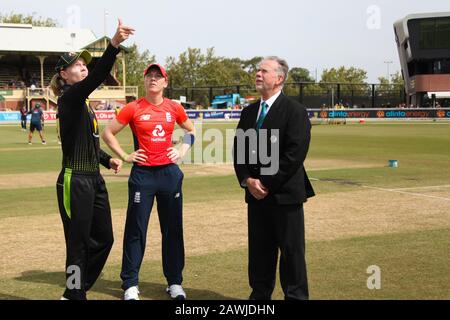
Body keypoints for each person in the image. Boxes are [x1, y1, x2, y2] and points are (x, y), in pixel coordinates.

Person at [49, 19, 134, 300]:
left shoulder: (83, 103)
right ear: (64, 73)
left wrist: (107, 160)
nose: (83, 66)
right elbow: (98, 77)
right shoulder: (70, 98)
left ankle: (75, 289)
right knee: (78, 244)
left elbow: (87, 145)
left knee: (104, 239)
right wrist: (112, 46)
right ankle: (74, 294)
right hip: (75, 181)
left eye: (85, 63)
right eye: (77, 64)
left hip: (93, 179)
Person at [102, 63, 195, 300]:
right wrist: (125, 156)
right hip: (143, 176)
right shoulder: (133, 108)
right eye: (149, 76)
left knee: (173, 229)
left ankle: (175, 282)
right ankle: (130, 284)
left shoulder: (174, 107)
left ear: (165, 82)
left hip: (169, 176)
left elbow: (191, 130)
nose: (153, 79)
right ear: (144, 81)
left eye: (158, 76)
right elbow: (107, 133)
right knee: (136, 229)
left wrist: (182, 149)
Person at [233, 56, 315, 300]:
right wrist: (248, 180)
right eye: (257, 70)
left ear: (279, 79)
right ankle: (259, 296)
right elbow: (239, 151)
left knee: (291, 253)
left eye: (264, 71)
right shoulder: (249, 113)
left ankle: (296, 296)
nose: (258, 74)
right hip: (256, 196)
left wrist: (265, 183)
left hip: (285, 196)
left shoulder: (295, 111)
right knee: (259, 253)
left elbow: (294, 154)